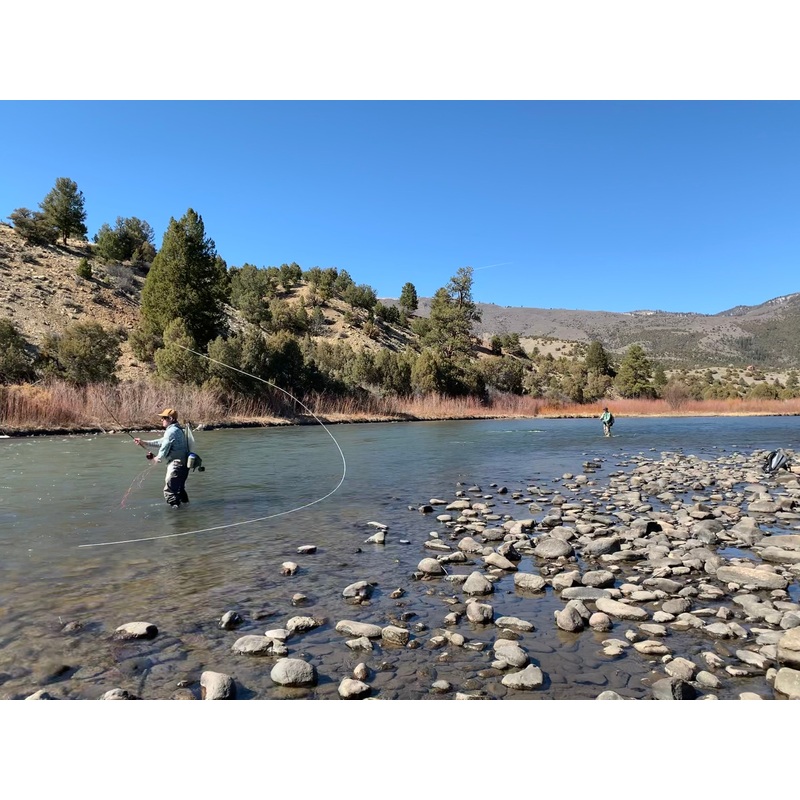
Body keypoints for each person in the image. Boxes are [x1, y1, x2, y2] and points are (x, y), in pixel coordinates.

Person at [134, 408, 191, 507]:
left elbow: (165, 445)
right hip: (184, 466)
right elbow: (162, 441)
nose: (161, 420)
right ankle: (186, 511)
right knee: (179, 490)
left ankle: (176, 517)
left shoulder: (171, 431)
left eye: (164, 418)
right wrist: (144, 442)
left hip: (176, 465)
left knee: (169, 493)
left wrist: (159, 457)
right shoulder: (177, 430)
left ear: (171, 418)